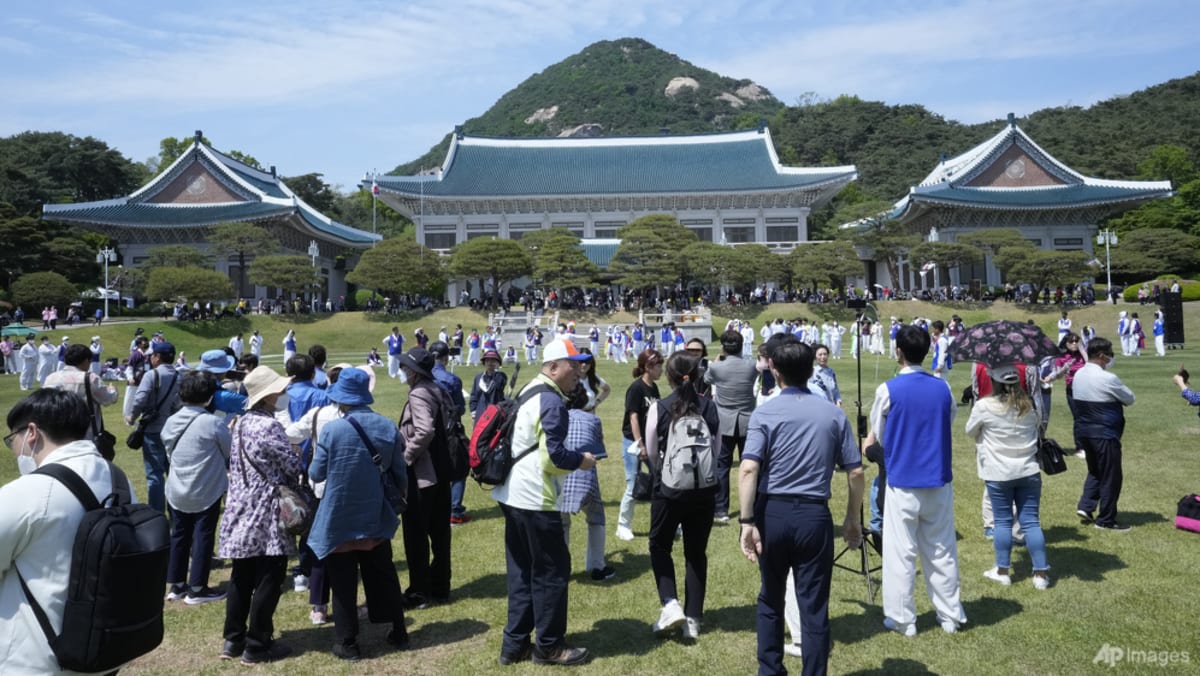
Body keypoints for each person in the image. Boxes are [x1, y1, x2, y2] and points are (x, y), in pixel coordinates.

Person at [737, 339, 864, 674]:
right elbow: (855, 471)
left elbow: (749, 467)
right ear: (811, 371)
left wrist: (746, 520)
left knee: (771, 597)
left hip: (773, 511)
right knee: (813, 605)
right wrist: (852, 518)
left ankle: (770, 669)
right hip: (814, 514)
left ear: (775, 370)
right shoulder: (833, 414)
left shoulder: (765, 412)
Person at [0, 389, 140, 674]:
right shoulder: (117, 478)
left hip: (35, 659)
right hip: (102, 649)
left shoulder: (28, 492)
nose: (14, 449)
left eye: (10, 439)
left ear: (31, 432)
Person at [493, 339, 595, 667]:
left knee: (522, 570)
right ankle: (549, 646)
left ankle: (514, 645)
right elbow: (554, 458)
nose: (579, 370)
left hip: (513, 494)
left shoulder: (530, 390)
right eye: (572, 364)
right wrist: (582, 460)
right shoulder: (551, 400)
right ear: (553, 367)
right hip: (536, 498)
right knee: (551, 572)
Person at [870, 325, 966, 636]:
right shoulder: (943, 388)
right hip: (937, 479)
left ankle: (902, 618)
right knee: (941, 549)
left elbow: (879, 436)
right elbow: (947, 419)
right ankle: (950, 614)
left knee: (901, 552)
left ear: (898, 351)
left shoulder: (888, 389)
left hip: (903, 480)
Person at [308, 367, 410, 660]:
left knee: (342, 583)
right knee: (384, 574)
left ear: (341, 398)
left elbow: (316, 472)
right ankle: (399, 631)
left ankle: (348, 643)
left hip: (339, 516)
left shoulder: (332, 430)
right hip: (375, 513)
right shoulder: (387, 426)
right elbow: (399, 472)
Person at [219, 365, 300, 665]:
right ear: (268, 397)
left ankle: (233, 639)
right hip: (265, 507)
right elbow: (292, 466)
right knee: (270, 575)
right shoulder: (268, 426)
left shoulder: (240, 422)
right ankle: (257, 643)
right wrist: (297, 456)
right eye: (278, 390)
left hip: (240, 503)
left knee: (242, 574)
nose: (282, 394)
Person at [643, 352, 721, 642]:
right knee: (695, 553)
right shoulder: (710, 407)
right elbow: (716, 448)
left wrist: (661, 471)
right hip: (704, 490)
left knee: (659, 545)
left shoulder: (661, 407)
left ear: (669, 377)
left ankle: (670, 603)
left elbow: (651, 450)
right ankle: (693, 618)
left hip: (669, 489)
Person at [965, 364, 1051, 590]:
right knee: (1031, 522)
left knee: (1002, 521)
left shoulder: (985, 406)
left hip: (999, 471)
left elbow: (970, 430)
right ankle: (1041, 573)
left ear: (994, 383)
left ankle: (1002, 570)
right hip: (1028, 469)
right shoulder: (1029, 406)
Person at [162, 370, 232, 605]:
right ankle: (198, 588)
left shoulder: (171, 421)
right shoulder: (212, 422)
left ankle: (177, 585)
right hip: (205, 488)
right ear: (210, 397)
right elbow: (228, 450)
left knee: (179, 534)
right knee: (203, 535)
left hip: (177, 487)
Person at [398, 347, 453, 608]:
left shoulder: (419, 393)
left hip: (423, 474)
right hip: (442, 470)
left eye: (405, 366)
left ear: (415, 371)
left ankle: (419, 592)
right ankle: (441, 586)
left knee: (416, 534)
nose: (402, 370)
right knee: (440, 533)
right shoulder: (437, 388)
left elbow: (424, 430)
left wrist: (405, 457)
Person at [1073, 338, 1135, 531]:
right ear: (1101, 356)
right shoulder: (1108, 378)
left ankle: (1086, 505)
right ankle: (1106, 520)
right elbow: (1129, 398)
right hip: (1104, 433)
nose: (1110, 358)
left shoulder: (1078, 374)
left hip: (1084, 431)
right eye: (1109, 353)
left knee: (1095, 470)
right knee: (1111, 475)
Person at [704, 330, 759, 523]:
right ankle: (753, 506)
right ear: (742, 345)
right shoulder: (751, 366)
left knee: (722, 467)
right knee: (751, 466)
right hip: (748, 421)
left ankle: (721, 509)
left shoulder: (717, 367)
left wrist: (717, 359)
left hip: (724, 422)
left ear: (723, 347)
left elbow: (706, 380)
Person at [561, 385, 614, 582]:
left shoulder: (557, 419)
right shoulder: (593, 419)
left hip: (560, 477)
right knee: (596, 519)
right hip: (585, 478)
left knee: (562, 523)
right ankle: (597, 567)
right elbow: (599, 452)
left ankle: (561, 569)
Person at [128, 341, 183, 514]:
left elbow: (140, 399)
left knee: (154, 475)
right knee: (172, 472)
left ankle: (157, 513)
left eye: (152, 355)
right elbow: (180, 404)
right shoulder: (179, 376)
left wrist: (132, 416)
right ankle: (175, 511)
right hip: (173, 430)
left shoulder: (152, 375)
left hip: (153, 429)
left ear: (157, 357)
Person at [617, 349, 663, 541]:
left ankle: (666, 521)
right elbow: (633, 417)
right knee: (633, 484)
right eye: (659, 365)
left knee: (661, 481)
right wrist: (640, 444)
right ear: (648, 367)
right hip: (634, 442)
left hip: (651, 441)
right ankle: (623, 525)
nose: (662, 369)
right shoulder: (636, 388)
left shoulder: (653, 388)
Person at [43, 344, 119, 446]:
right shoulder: (90, 378)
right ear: (85, 360)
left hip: (57, 433)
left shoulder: (51, 378)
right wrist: (113, 390)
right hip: (86, 433)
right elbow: (107, 399)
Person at [430, 341, 470, 526]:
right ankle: (454, 510)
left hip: (428, 428)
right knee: (459, 468)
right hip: (450, 430)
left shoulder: (423, 377)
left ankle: (438, 508)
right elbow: (460, 408)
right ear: (446, 358)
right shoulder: (452, 380)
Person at [469, 350, 508, 420]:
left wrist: (496, 369)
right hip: (480, 413)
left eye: (493, 361)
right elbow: (474, 396)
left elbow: (498, 385)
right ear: (484, 363)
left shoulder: (501, 376)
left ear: (498, 363)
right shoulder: (478, 378)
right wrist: (473, 411)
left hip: (496, 414)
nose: (490, 363)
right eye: (487, 360)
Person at [577, 348, 610, 412]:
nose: (584, 364)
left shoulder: (593, 378)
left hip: (590, 416)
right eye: (581, 361)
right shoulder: (570, 379)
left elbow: (607, 389)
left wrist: (597, 402)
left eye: (587, 361)